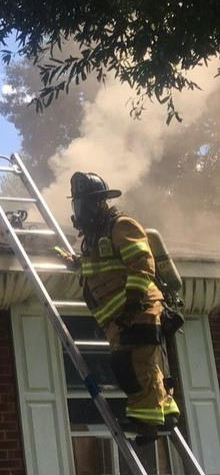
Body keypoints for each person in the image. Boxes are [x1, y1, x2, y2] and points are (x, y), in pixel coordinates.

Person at [68, 171, 180, 438]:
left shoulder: (121, 226)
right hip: (119, 318)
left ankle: (147, 424)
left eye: (83, 205)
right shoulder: (96, 236)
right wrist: (74, 261)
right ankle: (166, 414)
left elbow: (142, 265)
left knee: (136, 367)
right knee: (139, 366)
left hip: (137, 310)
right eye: (76, 205)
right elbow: (101, 267)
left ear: (98, 203)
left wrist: (132, 304)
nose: (79, 212)